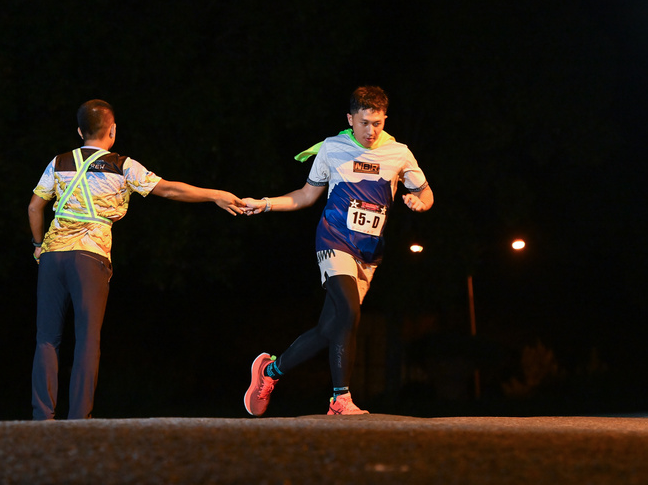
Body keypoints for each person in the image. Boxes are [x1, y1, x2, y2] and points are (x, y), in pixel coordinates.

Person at [29, 99, 244, 420]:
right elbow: (169, 190)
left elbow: (35, 207)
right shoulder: (122, 165)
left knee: (47, 338)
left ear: (80, 131)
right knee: (87, 338)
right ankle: (78, 420)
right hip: (90, 256)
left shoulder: (59, 162)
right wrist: (215, 194)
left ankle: (42, 418)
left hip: (52, 255)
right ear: (112, 131)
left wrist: (37, 245)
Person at [242, 86, 433, 416]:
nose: (371, 131)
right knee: (349, 313)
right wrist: (266, 204)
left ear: (385, 119)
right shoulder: (332, 148)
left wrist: (421, 203)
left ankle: (269, 371)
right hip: (334, 241)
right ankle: (340, 399)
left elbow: (426, 193)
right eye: (364, 123)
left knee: (329, 328)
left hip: (368, 253)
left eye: (377, 123)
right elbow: (306, 195)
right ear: (350, 119)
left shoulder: (399, 153)